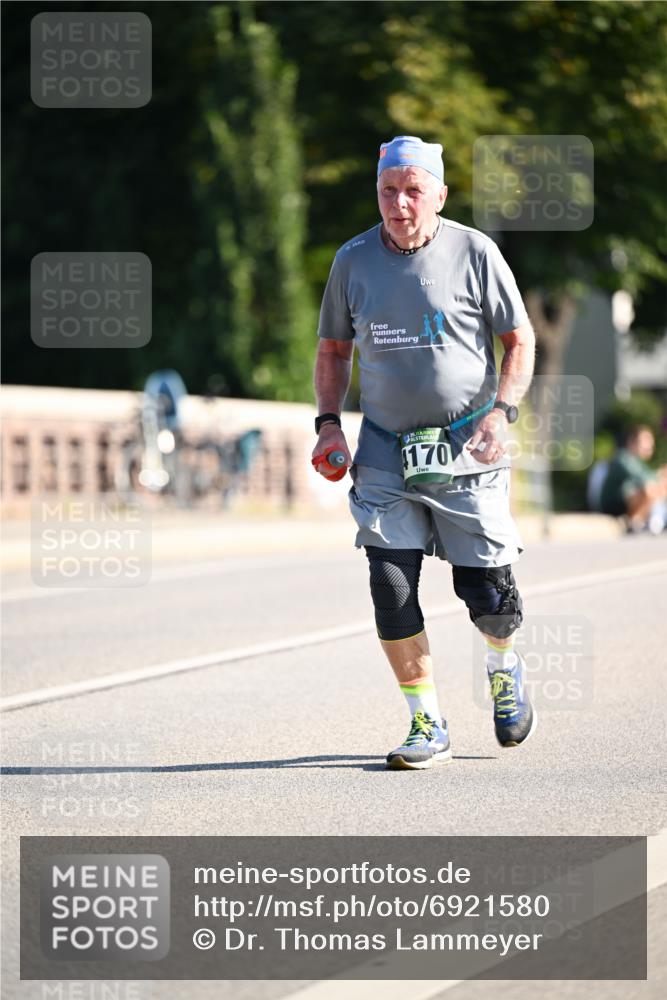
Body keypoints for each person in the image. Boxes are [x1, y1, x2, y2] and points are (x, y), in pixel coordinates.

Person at [312, 135, 537, 770]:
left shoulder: (475, 252)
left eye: (413, 190)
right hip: (385, 451)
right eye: (389, 190)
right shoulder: (353, 260)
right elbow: (333, 351)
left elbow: (519, 341)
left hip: (468, 448)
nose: (400, 203)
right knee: (390, 586)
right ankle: (426, 721)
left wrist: (501, 411)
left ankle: (503, 665)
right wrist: (329, 425)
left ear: (439, 194)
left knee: (488, 596)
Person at [598, 424, 667, 534]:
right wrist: (660, 475)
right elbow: (645, 479)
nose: (650, 446)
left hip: (628, 501)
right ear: (632, 442)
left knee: (660, 487)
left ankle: (653, 518)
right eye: (646, 442)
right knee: (650, 490)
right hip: (614, 505)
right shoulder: (623, 458)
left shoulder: (638, 462)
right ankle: (635, 521)